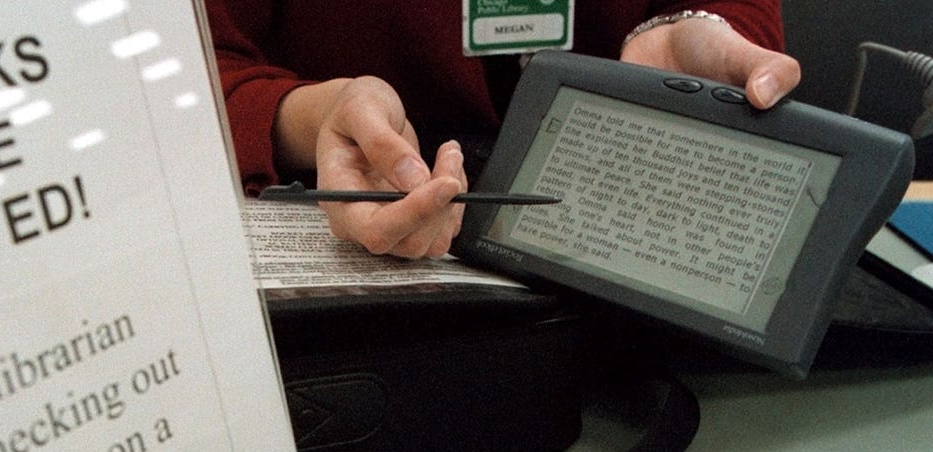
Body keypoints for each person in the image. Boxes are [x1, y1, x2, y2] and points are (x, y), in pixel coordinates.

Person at [206, 1, 802, 259]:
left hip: (631, 241)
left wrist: (704, 37)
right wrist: (319, 117)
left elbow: (732, 15)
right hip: (354, 273)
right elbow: (190, 72)